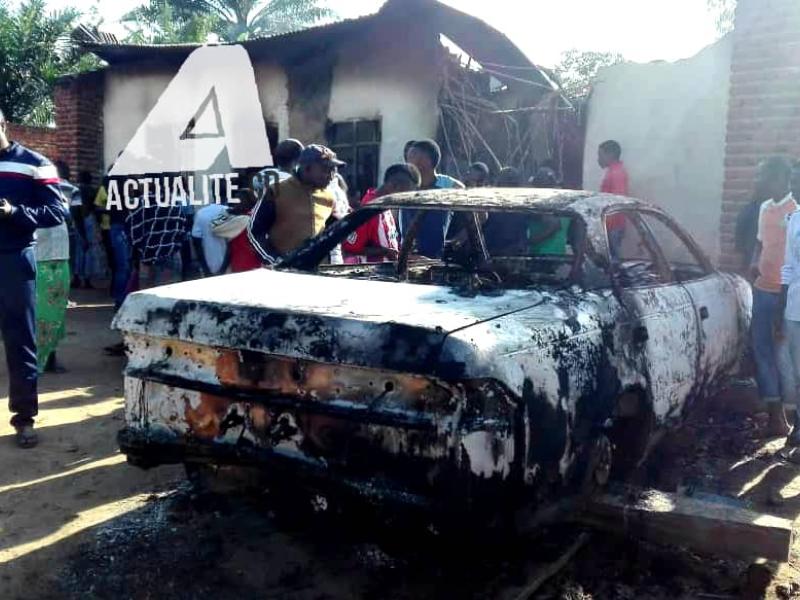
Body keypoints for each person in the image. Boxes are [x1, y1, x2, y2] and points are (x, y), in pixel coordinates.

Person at [0, 107, 68, 448]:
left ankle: (23, 419)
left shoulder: (35, 163)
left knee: (19, 341)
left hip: (13, 261)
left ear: (3, 124)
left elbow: (59, 211)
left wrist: (14, 212)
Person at [750, 156, 796, 437]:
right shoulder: (765, 208)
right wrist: (754, 261)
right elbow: (759, 242)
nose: (759, 182)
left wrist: (784, 302)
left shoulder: (795, 212)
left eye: (764, 176)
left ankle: (793, 421)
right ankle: (775, 417)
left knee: (785, 358)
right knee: (762, 352)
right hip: (762, 290)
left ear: (780, 179)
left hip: (785, 297)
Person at [248, 144, 343, 264]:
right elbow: (254, 231)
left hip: (318, 273)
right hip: (284, 274)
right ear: (307, 168)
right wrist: (275, 260)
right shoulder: (277, 191)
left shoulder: (329, 197)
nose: (331, 176)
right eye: (325, 170)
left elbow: (334, 235)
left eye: (333, 170)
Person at [36, 163, 74, 375]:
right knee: (42, 314)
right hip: (38, 261)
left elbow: (70, 224)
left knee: (57, 313)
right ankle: (36, 361)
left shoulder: (61, 197)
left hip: (60, 259)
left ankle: (51, 358)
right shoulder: (27, 200)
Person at [343, 163, 421, 264]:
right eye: (407, 195)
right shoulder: (369, 210)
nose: (408, 200)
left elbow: (389, 247)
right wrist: (384, 252)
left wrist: (410, 257)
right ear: (394, 186)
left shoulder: (386, 207)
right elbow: (350, 249)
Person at [399, 139, 464, 258]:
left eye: (412, 156)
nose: (407, 163)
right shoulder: (405, 187)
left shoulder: (449, 186)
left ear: (425, 161)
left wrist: (458, 240)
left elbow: (480, 214)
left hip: (435, 262)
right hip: (407, 260)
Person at [778, 160, 800, 446]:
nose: (794, 187)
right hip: (795, 307)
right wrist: (782, 304)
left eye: (798, 180)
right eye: (792, 180)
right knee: (797, 370)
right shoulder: (794, 218)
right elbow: (788, 265)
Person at [598, 140, 630, 252]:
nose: (599, 159)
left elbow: (617, 202)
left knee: (612, 262)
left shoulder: (616, 173)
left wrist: (603, 225)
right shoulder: (614, 171)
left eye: (600, 155)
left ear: (610, 155)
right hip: (612, 225)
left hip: (613, 226)